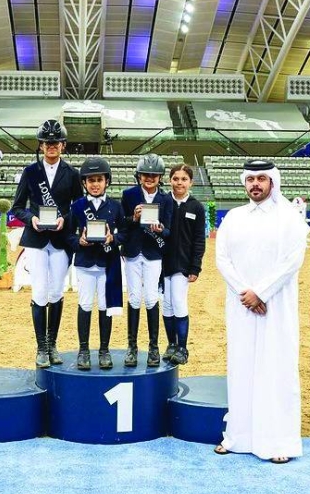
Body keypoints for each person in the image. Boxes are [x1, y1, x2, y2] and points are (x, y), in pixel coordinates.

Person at [214, 160, 309, 464]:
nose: (255, 184)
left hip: (275, 308)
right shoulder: (234, 217)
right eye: (250, 179)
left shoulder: (289, 218)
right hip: (242, 305)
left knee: (275, 369)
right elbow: (223, 260)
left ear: (272, 182)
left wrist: (262, 292)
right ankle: (237, 437)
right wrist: (247, 293)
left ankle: (278, 442)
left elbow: (292, 261)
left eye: (261, 179)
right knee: (241, 369)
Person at [11, 119, 83, 368]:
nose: (51, 147)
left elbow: (80, 206)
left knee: (56, 292)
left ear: (62, 145)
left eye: (55, 143)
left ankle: (53, 344)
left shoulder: (73, 174)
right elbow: (17, 208)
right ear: (41, 146)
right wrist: (32, 219)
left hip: (61, 239)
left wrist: (66, 219)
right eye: (47, 143)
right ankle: (41, 346)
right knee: (39, 291)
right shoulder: (30, 172)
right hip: (37, 239)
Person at [68, 157, 127, 370]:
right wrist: (79, 241)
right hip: (84, 264)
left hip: (106, 263)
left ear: (106, 181)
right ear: (84, 183)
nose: (95, 184)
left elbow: (126, 233)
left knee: (104, 305)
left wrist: (114, 239)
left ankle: (104, 350)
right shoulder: (77, 207)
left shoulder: (115, 207)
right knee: (84, 304)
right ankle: (83, 350)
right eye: (90, 180)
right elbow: (68, 236)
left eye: (99, 180)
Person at [120, 154, 171, 367]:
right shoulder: (128, 195)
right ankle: (132, 347)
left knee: (151, 298)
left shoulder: (166, 199)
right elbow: (122, 224)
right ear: (139, 176)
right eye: (145, 175)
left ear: (160, 178)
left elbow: (169, 230)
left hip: (153, 253)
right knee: (133, 298)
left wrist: (161, 229)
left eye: (154, 175)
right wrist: (133, 218)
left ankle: (153, 347)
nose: (149, 178)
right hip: (132, 251)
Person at [161, 164, 206, 365]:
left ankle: (182, 347)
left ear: (191, 182)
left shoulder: (196, 207)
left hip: (183, 264)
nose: (179, 182)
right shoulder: (163, 202)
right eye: (175, 178)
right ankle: (171, 344)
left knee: (179, 303)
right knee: (167, 305)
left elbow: (199, 240)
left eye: (184, 179)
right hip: (163, 263)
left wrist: (195, 267)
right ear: (169, 180)